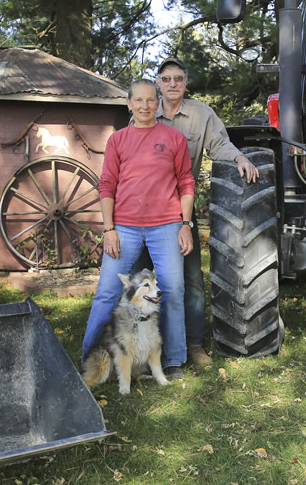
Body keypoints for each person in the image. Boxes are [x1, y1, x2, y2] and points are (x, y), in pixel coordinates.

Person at [139, 57, 259, 366]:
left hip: (181, 210)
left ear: (185, 82)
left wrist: (239, 159)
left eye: (178, 78)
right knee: (142, 278)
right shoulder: (145, 112)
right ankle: (143, 345)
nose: (172, 84)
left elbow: (220, 145)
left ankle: (191, 344)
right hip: (143, 211)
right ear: (158, 83)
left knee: (190, 279)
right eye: (166, 79)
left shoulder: (201, 114)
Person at [81, 78, 196, 378]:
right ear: (129, 104)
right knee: (106, 292)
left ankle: (173, 360)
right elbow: (107, 185)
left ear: (157, 104)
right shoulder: (118, 140)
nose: (144, 106)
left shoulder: (173, 138)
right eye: (138, 100)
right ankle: (87, 357)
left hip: (167, 225)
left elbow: (186, 181)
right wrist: (109, 229)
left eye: (150, 100)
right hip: (125, 227)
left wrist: (185, 224)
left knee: (172, 289)